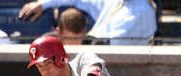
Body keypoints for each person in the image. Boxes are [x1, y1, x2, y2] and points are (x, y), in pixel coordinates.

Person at [19, 0, 157, 45]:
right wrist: (42, 4)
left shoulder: (143, 11)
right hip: (92, 57)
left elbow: (106, 44)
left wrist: (76, 42)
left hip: (120, 72)